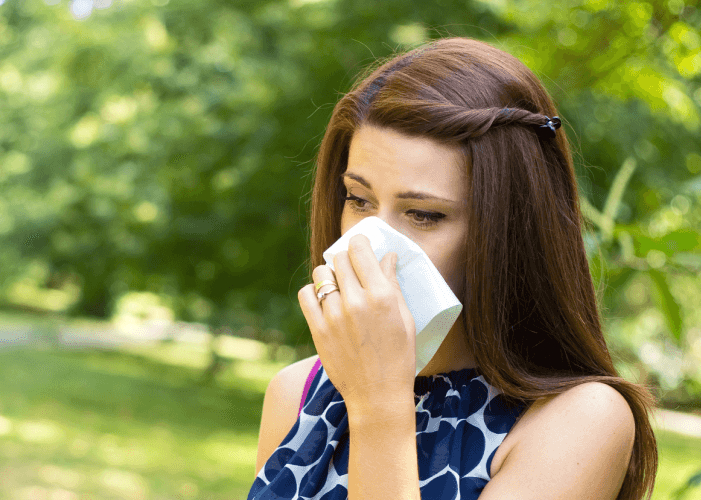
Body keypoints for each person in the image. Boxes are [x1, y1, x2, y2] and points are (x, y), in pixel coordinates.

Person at [249, 37, 658, 500]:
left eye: (424, 215)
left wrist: (380, 408)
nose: (370, 243)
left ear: (507, 233)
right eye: (358, 200)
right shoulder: (297, 393)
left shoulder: (580, 420)